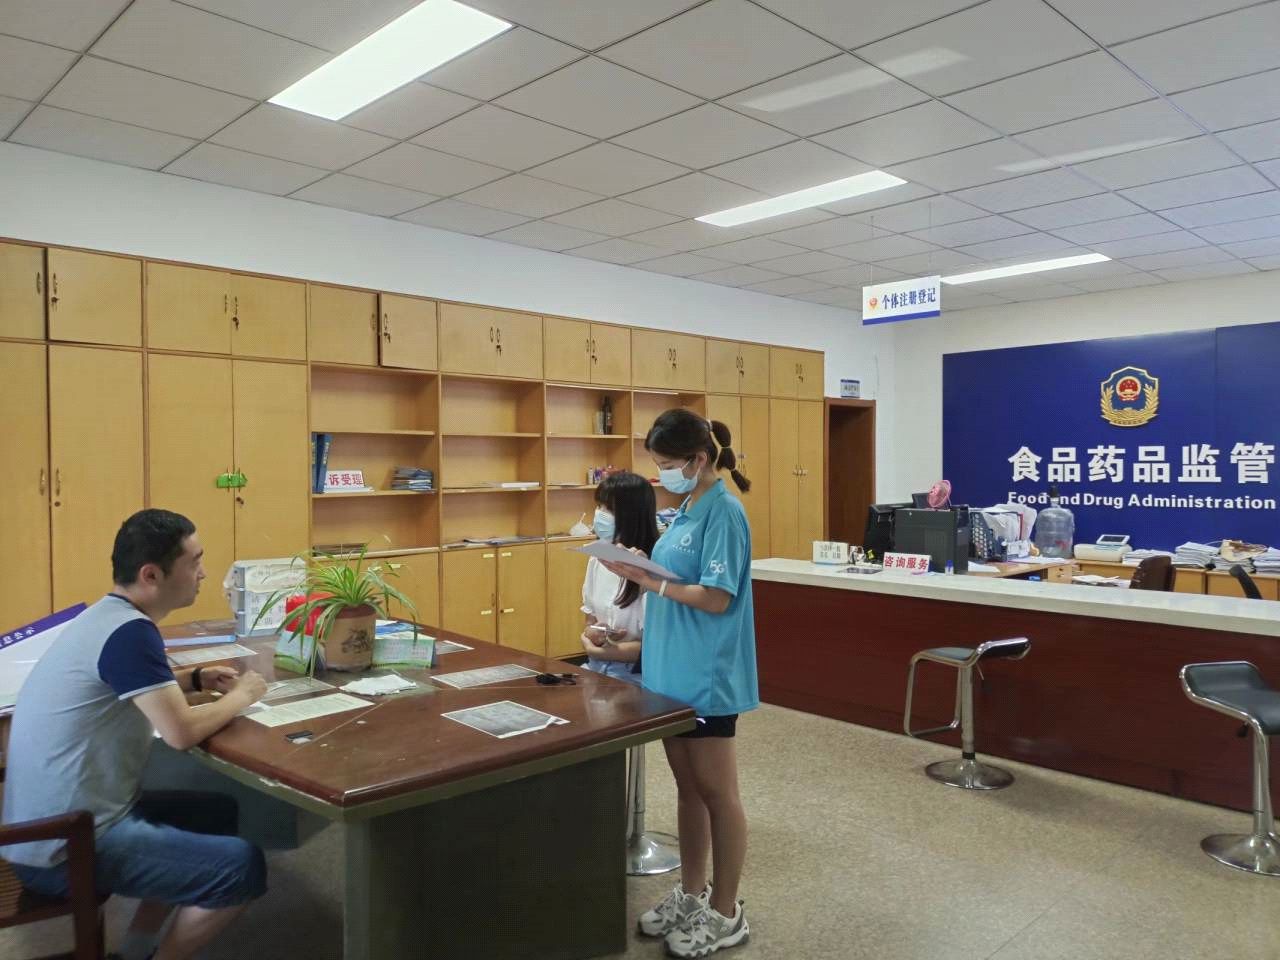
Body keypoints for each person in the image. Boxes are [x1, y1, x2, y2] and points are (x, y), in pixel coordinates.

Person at [2, 509, 269, 960]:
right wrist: (244, 694)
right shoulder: (130, 633)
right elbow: (180, 732)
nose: (203, 573)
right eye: (194, 561)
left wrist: (194, 679)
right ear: (151, 575)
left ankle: (136, 949)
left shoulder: (108, 619)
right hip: (63, 847)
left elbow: (120, 686)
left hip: (48, 826)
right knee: (241, 869)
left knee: (216, 813)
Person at [602, 410, 758, 958]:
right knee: (688, 791)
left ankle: (727, 912)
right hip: (670, 671)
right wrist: (641, 568)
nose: (663, 474)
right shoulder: (688, 507)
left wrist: (654, 583)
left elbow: (716, 597)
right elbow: (677, 574)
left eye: (668, 464)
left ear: (699, 459)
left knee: (718, 794)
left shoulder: (725, 513)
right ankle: (692, 895)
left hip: (706, 674)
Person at [579, 471, 658, 683]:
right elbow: (590, 618)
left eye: (609, 509)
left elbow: (657, 647)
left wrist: (604, 651)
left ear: (633, 515)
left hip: (637, 678)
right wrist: (594, 633)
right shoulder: (599, 558)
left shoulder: (652, 569)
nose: (600, 514)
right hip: (597, 669)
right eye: (599, 506)